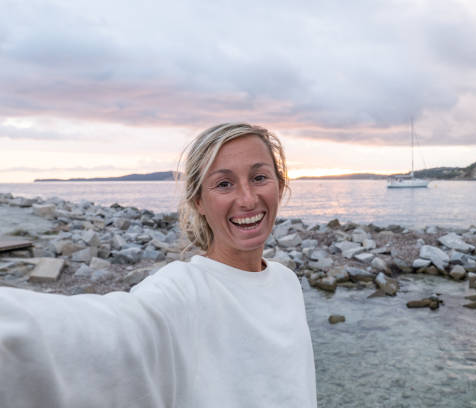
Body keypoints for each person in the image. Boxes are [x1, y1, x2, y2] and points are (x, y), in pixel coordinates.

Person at [0, 123, 317, 407]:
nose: (247, 199)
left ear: (280, 184)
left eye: (259, 177)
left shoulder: (286, 280)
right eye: (224, 184)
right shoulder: (181, 288)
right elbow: (114, 332)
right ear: (198, 202)